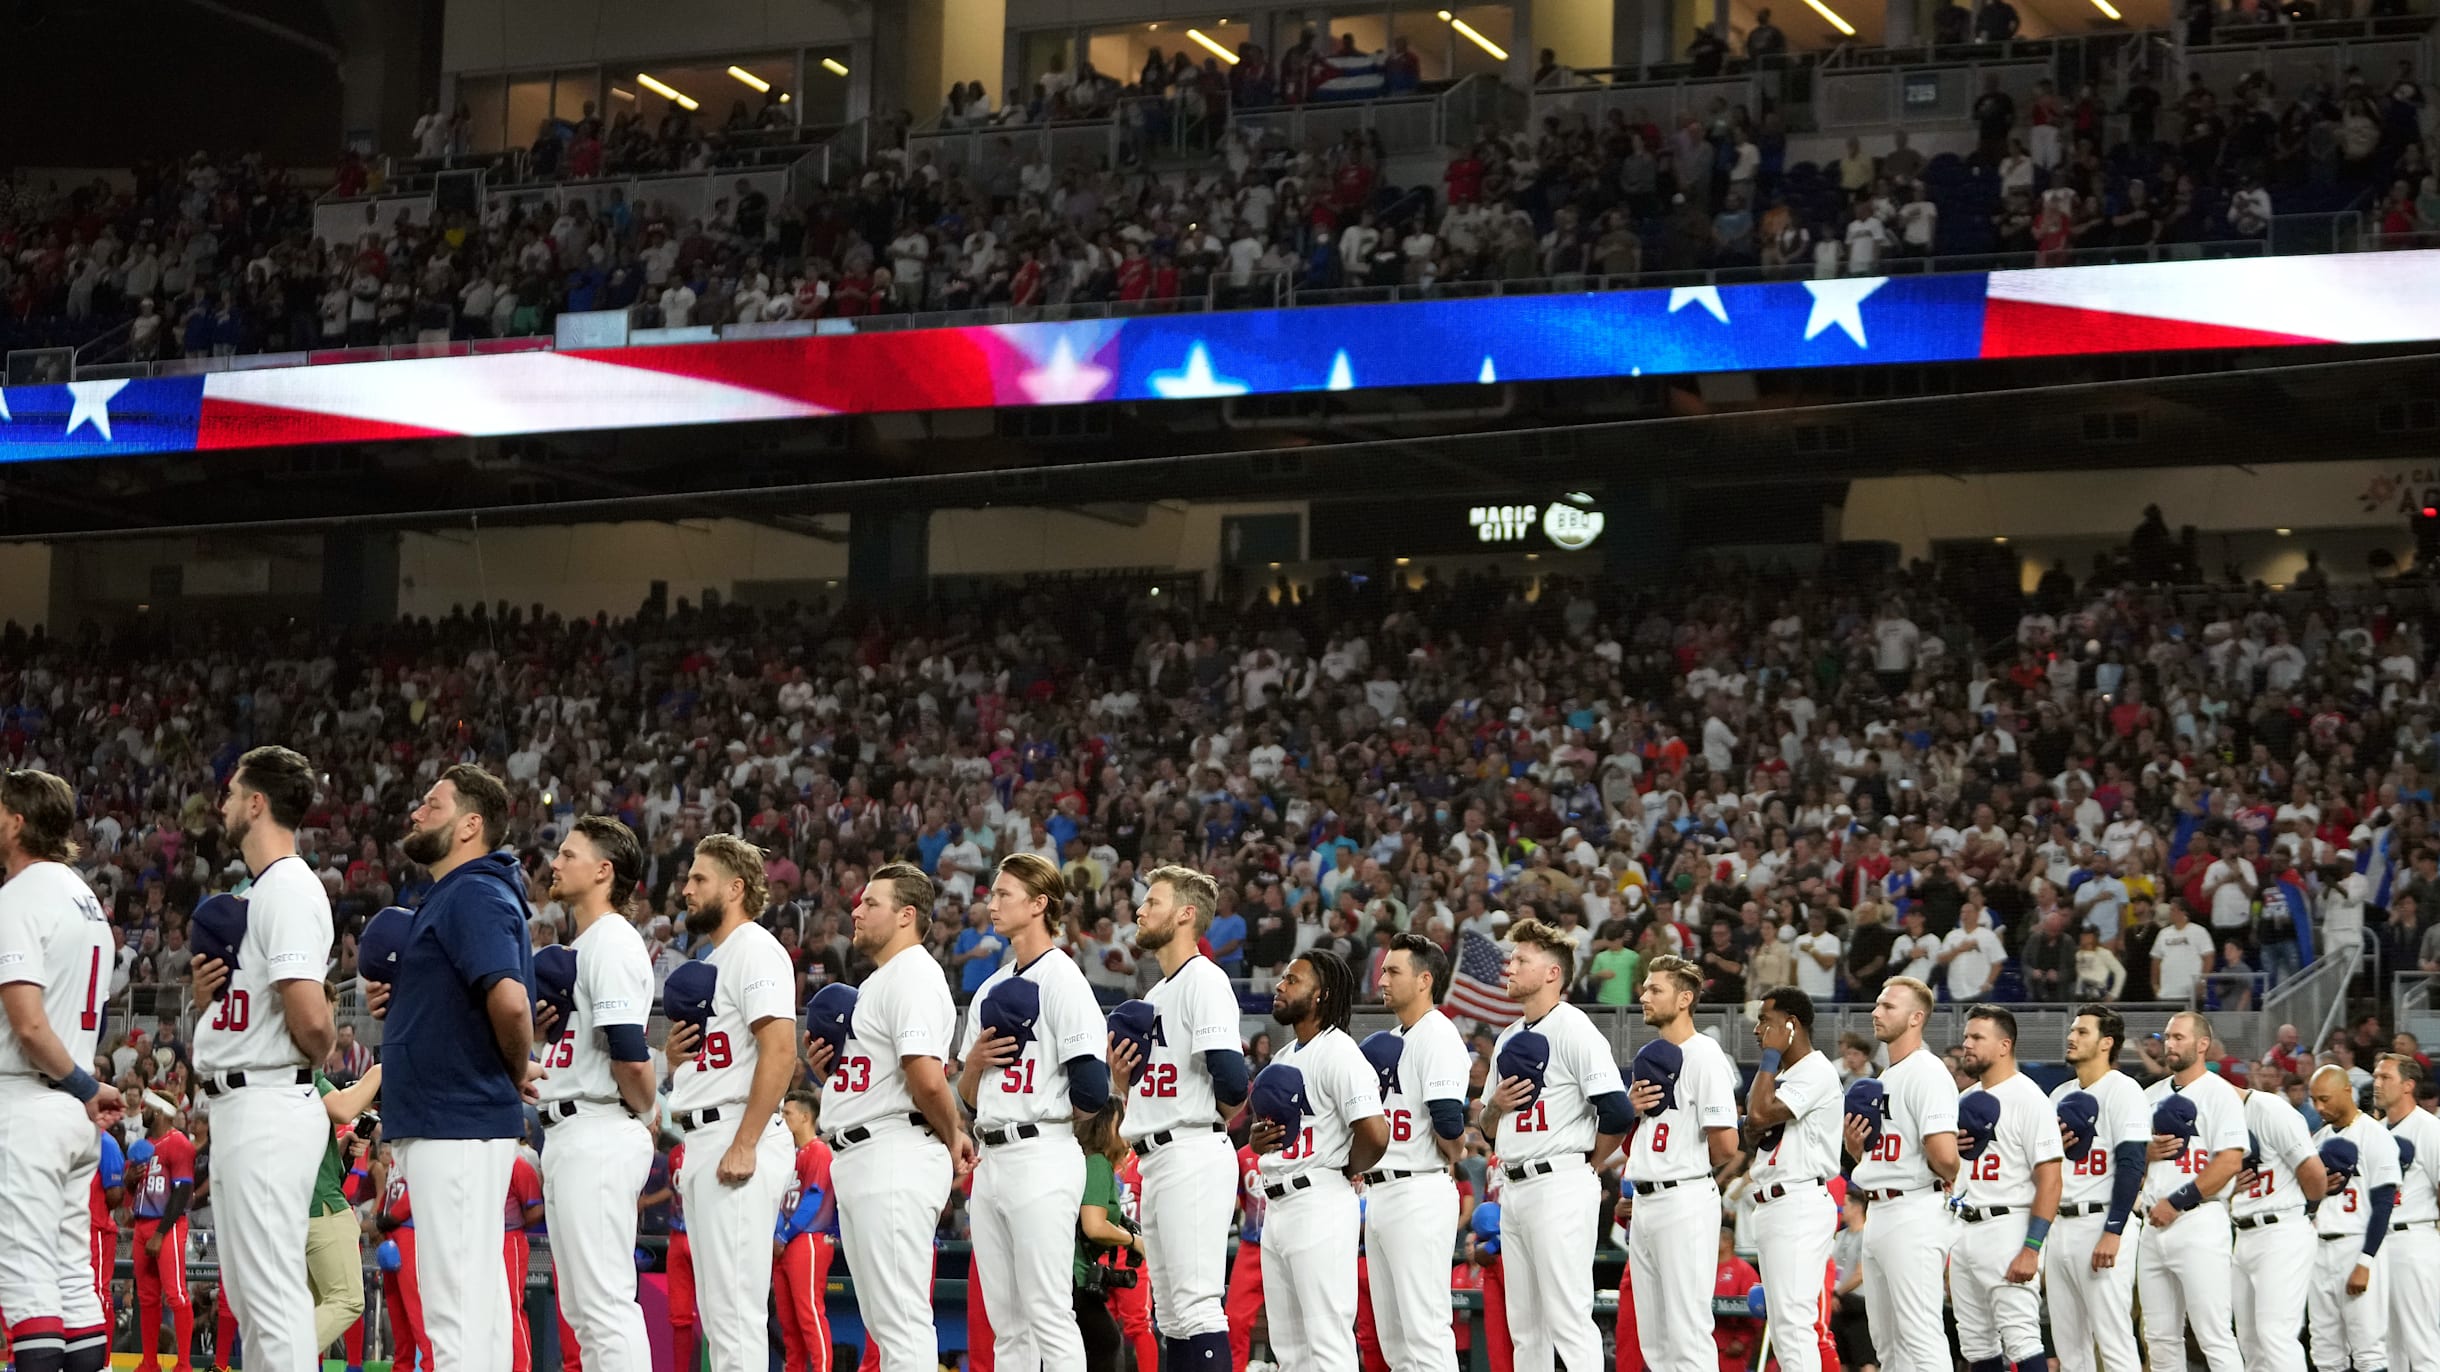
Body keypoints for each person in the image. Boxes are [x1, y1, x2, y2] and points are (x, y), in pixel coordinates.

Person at [371, 765, 535, 1372]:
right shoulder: (459, 893)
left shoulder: (473, 890)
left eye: (432, 804)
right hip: (454, 1119)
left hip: (456, 1121)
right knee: (478, 1307)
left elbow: (511, 1001)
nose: (416, 813)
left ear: (471, 825)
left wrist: (513, 1068)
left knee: (455, 1314)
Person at [191, 745, 339, 1372]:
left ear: (256, 803)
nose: (223, 804)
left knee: (274, 1298)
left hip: (271, 1103)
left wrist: (325, 1041)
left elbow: (310, 1018)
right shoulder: (259, 891)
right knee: (254, 1299)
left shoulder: (289, 887)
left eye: (231, 794)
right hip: (241, 1103)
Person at [809, 862, 970, 1372]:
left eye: (870, 903)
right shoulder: (883, 979)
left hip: (895, 1152)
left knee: (899, 1323)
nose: (856, 910)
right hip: (866, 1153)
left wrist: (953, 1134)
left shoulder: (915, 974)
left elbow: (926, 1079)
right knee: (885, 1323)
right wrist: (830, 1077)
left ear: (906, 915)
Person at [955, 853, 1111, 1371]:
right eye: (992, 893)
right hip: (992, 1156)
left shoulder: (1065, 981)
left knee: (1048, 1312)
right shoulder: (991, 987)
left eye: (1004, 894)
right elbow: (970, 1097)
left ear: (1039, 903)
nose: (992, 902)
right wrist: (973, 1065)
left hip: (1042, 1153)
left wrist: (1044, 1116)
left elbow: (1091, 1089)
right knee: (1007, 1324)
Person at [0, 768, 124, 1372]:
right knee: (73, 1279)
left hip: (31, 1098)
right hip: (72, 1112)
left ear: (17, 821)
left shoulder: (19, 897)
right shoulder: (84, 896)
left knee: (27, 1283)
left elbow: (26, 1025)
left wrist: (82, 1083)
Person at [664, 834, 798, 1372]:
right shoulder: (714, 957)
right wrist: (679, 1061)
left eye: (699, 879)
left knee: (736, 1314)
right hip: (704, 1135)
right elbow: (724, 1053)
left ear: (735, 887)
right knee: (719, 1314)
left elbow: (782, 1050)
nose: (686, 889)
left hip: (739, 1134)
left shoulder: (756, 949)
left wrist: (745, 1143)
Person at [1107, 866, 1250, 1372]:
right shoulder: (1155, 995)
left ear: (1186, 914)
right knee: (1169, 1315)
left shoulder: (1204, 978)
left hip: (1191, 1150)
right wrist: (1126, 1086)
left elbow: (1232, 1080)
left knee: (1195, 1306)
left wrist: (1216, 1114)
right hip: (1157, 1154)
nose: (1141, 910)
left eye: (1154, 901)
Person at [535, 816, 659, 1372]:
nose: (554, 864)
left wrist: (648, 1107)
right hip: (569, 1130)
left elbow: (630, 1054)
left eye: (568, 854)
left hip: (599, 1128)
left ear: (603, 871)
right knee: (582, 1308)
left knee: (605, 1304)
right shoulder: (583, 943)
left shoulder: (611, 941)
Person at [1493, 919, 1633, 1372]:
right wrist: (1493, 1106)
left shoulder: (1575, 1028)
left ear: (1552, 973)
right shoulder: (1508, 1037)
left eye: (1521, 960)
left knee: (1568, 1316)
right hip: (1514, 1183)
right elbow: (1486, 1123)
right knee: (1525, 1325)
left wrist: (1588, 1164)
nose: (1509, 967)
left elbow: (1616, 1110)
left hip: (1560, 1179)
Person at [1248, 948, 1388, 1372]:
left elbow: (1375, 1133)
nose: (1280, 985)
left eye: (1293, 979)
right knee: (1289, 1348)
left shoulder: (1340, 1052)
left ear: (1321, 995)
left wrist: (1347, 1167)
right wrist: (1258, 1141)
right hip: (1279, 1203)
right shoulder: (1285, 1055)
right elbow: (1281, 1131)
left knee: (1327, 1343)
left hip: (1319, 1200)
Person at [1361, 933, 1467, 1372]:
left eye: (1393, 971)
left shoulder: (1438, 1034)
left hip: (1418, 1189)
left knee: (1424, 1331)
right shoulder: (1392, 1036)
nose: (1382, 978)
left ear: (1425, 980)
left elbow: (1448, 1125)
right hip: (1382, 1190)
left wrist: (1456, 1148)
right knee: (1395, 1339)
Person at [1843, 976, 1960, 1372]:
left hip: (1914, 1210)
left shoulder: (1927, 1070)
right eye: (1877, 1004)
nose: (1876, 1012)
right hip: (1881, 1210)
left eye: (1888, 1006)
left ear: (1916, 1017)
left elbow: (1945, 1155)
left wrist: (1949, 1175)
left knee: (1920, 1336)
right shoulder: (1888, 1075)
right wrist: (1857, 1152)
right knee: (1888, 1343)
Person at [1949, 1005, 2062, 1372]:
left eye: (1977, 1037)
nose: (1967, 1044)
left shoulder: (2030, 1098)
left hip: (2007, 1225)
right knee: (1975, 1343)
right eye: (1967, 1036)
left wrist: (2032, 1248)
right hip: (1965, 1225)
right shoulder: (1965, 1100)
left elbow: (2050, 1178)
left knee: (2022, 1339)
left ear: (2004, 1045)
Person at [2137, 1011, 2246, 1372]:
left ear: (2202, 1044)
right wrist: (2144, 1154)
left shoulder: (2221, 1093)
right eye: (2168, 1037)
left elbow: (2229, 1161)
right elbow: (2133, 1164)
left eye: (2179, 1037)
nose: (2170, 1044)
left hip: (2199, 1220)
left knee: (2213, 1334)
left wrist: (2178, 1201)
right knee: (2159, 1336)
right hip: (2153, 1224)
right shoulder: (2150, 1095)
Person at [1741, 985, 1841, 1372]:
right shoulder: (1786, 1073)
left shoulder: (1815, 1069)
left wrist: (1769, 1054)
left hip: (1799, 1200)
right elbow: (1751, 1127)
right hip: (1774, 1202)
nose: (1757, 1030)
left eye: (1765, 1021)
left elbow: (1760, 1117)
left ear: (1791, 1025)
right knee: (1784, 1325)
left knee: (1796, 1323)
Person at [2046, 1005, 2149, 1372]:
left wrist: (2114, 1229)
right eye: (2072, 1030)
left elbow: (2132, 1164)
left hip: (2100, 1219)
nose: (2072, 1037)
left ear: (2107, 1043)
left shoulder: (2124, 1090)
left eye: (2082, 1032)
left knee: (2114, 1338)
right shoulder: (2058, 1094)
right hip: (2060, 1224)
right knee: (2069, 1345)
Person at [2231, 1056, 2327, 1372]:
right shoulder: (2213, 1119)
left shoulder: (2271, 1110)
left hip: (2281, 1229)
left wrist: (2306, 1212)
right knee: (2249, 1340)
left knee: (2276, 1335)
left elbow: (2314, 1173)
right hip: (2243, 1234)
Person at [2308, 1064, 2399, 1372]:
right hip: (2319, 1250)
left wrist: (2365, 1261)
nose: (2319, 1107)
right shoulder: (2316, 1140)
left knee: (2368, 1349)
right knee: (2324, 1349)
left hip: (2356, 1244)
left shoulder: (2376, 1136)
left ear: (2347, 1090)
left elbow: (2384, 1203)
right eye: (2314, 1100)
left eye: (2325, 1098)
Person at [312, 1060, 381, 1362]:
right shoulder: (304, 1073)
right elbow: (343, 1109)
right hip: (322, 1206)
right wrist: (380, 1070)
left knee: (311, 1308)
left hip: (290, 1206)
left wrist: (336, 1149)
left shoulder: (265, 1079)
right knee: (347, 1300)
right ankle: (275, 1358)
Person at [2374, 1053, 2440, 1368]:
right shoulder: (2374, 1130)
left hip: (2414, 1238)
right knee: (2387, 1345)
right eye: (2375, 1076)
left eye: (2385, 1077)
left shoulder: (2429, 1129)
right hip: (2378, 1242)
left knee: (2423, 1343)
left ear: (2408, 1086)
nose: (2377, 1083)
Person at [1073, 1103, 1145, 1372]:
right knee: (1106, 1340)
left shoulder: (1091, 1161)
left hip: (1068, 1270)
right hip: (1073, 1272)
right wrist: (1132, 1240)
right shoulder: (1097, 1162)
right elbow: (1094, 1226)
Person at [132, 1093, 198, 1372]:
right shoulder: (143, 1145)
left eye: (147, 1107)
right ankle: (150, 1362)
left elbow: (182, 1191)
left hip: (166, 1225)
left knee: (176, 1294)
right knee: (146, 1298)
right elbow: (132, 1190)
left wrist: (161, 1232)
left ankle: (183, 1364)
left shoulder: (179, 1143)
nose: (143, 1111)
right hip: (141, 1222)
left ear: (159, 1111)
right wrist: (128, 1179)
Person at [773, 1091, 837, 1372]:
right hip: (785, 1240)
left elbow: (813, 1197)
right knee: (788, 1321)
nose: (783, 1119)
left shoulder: (819, 1150)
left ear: (805, 1117)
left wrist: (784, 1234)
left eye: (788, 1114)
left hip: (808, 1237)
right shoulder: (789, 1155)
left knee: (809, 1312)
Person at [503, 1152, 544, 1372]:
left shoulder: (518, 1165)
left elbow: (536, 1209)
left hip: (510, 1239)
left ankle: (522, 1367)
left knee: (511, 1307)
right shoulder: (477, 1162)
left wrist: (513, 1226)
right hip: (479, 1242)